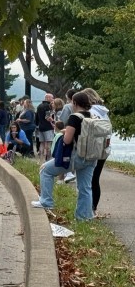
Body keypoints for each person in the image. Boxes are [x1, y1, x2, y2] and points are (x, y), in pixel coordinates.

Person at [32, 91, 97, 220]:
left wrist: (64, 132)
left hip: (76, 155)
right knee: (85, 188)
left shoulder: (74, 117)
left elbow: (67, 140)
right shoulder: (92, 115)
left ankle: (46, 201)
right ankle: (84, 217)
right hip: (91, 156)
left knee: (45, 170)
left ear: (74, 103)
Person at [82, 88, 110, 214]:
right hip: (104, 148)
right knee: (95, 178)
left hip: (92, 148)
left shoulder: (89, 112)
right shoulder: (104, 112)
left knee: (88, 179)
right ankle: (93, 207)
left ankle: (88, 208)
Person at [36, 93, 55, 161]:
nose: (53, 100)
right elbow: (47, 117)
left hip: (41, 127)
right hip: (48, 127)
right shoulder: (48, 106)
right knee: (49, 143)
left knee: (42, 143)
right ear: (48, 98)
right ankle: (48, 159)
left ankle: (40, 159)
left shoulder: (39, 106)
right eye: (52, 98)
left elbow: (36, 117)